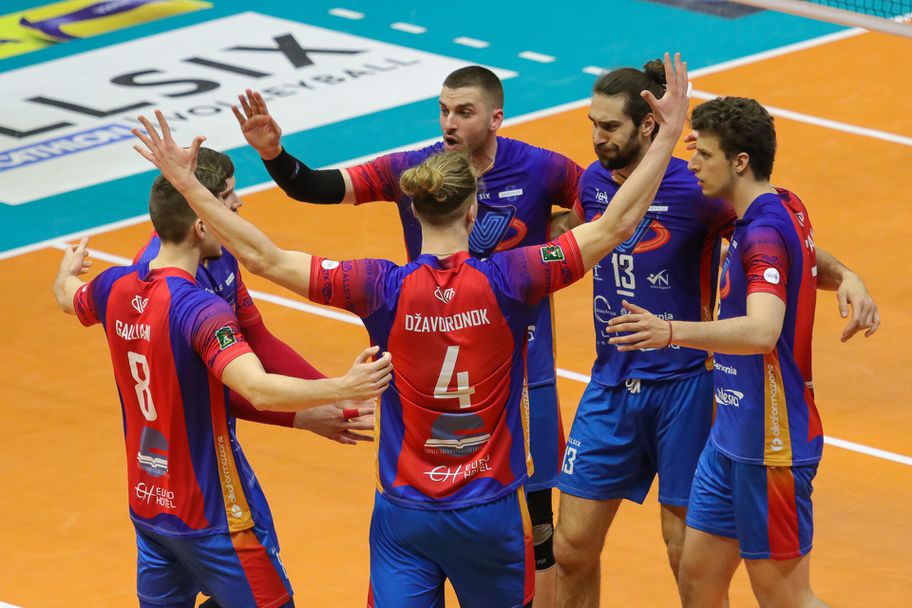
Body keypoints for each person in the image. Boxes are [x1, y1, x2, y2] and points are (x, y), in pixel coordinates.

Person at [131, 51, 691, 608]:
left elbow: (264, 258)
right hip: (490, 509)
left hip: (405, 515)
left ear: (413, 212)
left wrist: (187, 185)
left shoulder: (378, 287)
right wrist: (666, 133)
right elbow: (615, 224)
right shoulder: (514, 279)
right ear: (473, 215)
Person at [232, 66, 582, 602]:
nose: (448, 123)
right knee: (455, 516)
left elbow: (598, 203)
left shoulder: (541, 166)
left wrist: (560, 230)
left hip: (523, 374)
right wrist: (275, 156)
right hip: (431, 356)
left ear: (496, 117)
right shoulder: (413, 169)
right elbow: (321, 187)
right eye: (443, 111)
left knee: (538, 530)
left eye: (463, 112)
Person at [549, 62, 879, 607]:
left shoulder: (712, 198)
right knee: (590, 551)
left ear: (647, 125)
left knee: (728, 570)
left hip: (699, 394)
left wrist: (845, 273)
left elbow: (772, 272)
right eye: (593, 125)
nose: (597, 138)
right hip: (626, 389)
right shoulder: (594, 183)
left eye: (610, 126)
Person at [52, 172, 393, 608]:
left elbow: (67, 295)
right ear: (200, 226)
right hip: (214, 514)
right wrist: (341, 386)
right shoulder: (199, 308)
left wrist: (65, 272)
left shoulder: (113, 285)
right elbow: (257, 388)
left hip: (149, 506)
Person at [606, 96, 833, 607]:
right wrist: (850, 279)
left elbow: (762, 331)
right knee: (698, 578)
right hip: (728, 437)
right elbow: (804, 264)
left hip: (771, 444)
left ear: (740, 161)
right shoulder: (783, 205)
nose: (692, 165)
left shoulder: (763, 233)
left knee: (784, 595)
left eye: (704, 154)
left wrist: (669, 331)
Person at [134, 146, 377, 445]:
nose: (239, 201)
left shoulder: (219, 249)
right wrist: (303, 413)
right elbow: (200, 381)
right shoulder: (159, 283)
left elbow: (256, 337)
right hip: (180, 442)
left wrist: (332, 397)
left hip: (216, 433)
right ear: (199, 205)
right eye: (228, 195)